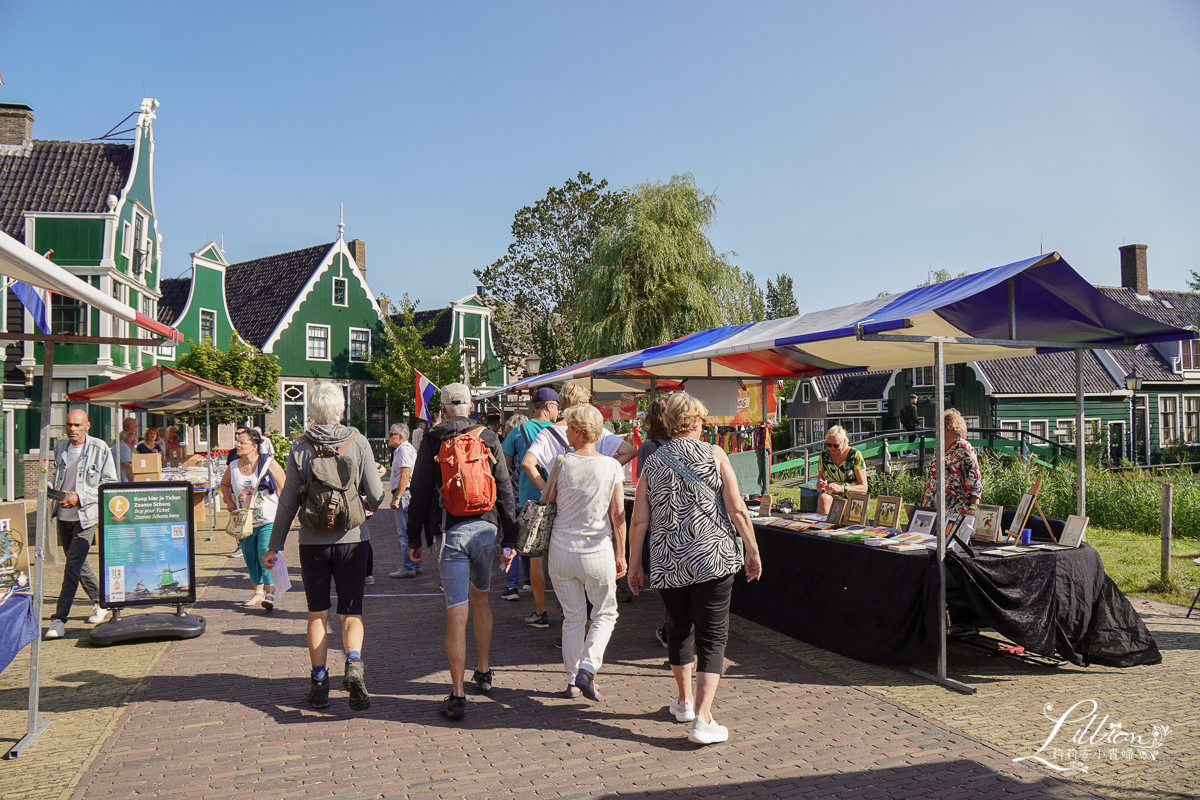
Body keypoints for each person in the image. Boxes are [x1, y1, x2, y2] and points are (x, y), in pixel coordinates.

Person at [628, 392, 762, 745]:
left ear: (669, 423)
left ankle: (685, 702)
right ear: (698, 421)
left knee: (678, 629)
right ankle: (702, 720)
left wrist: (634, 564)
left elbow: (639, 522)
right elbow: (737, 510)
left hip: (669, 562)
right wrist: (752, 550)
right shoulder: (715, 454)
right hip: (713, 558)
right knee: (713, 635)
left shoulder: (652, 463)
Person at [262, 382, 385, 712]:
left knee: (317, 613)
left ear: (311, 414)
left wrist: (274, 546)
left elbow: (287, 503)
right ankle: (354, 664)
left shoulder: (300, 447)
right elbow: (376, 494)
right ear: (342, 410)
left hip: (313, 543)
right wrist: (366, 501)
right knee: (351, 613)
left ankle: (319, 684)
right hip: (353, 541)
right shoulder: (358, 442)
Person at [407, 383, 518, 721]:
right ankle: (483, 670)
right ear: (470, 406)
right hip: (486, 529)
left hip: (450, 531)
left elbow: (420, 491)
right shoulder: (488, 437)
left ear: (442, 408)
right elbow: (504, 488)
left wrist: (414, 540)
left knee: (457, 611)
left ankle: (457, 696)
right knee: (481, 598)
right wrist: (511, 538)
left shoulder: (433, 438)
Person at [521, 381, 636, 622]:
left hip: (563, 517)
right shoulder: (597, 431)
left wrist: (548, 492)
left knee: (568, 584)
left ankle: (572, 621)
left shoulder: (548, 432)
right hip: (596, 518)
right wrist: (606, 469)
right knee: (599, 600)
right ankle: (587, 627)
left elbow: (528, 463)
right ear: (582, 403)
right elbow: (629, 451)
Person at [544, 405, 627, 700]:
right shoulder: (611, 466)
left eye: (568, 427)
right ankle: (587, 669)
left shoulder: (561, 462)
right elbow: (618, 514)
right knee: (605, 613)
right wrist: (622, 552)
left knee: (573, 617)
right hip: (597, 549)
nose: (565, 431)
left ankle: (571, 681)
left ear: (578, 432)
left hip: (561, 548)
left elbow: (547, 501)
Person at [44, 410, 119, 639]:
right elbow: (58, 476)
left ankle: (59, 619)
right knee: (77, 562)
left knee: (72, 567)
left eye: (77, 425)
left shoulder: (100, 448)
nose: (72, 429)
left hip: (86, 516)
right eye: (69, 425)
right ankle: (100, 601)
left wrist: (80, 496)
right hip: (63, 515)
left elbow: (109, 483)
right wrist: (48, 487)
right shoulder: (60, 447)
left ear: (88, 425)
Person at [500, 388, 559, 606]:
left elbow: (502, 468)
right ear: (549, 406)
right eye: (557, 406)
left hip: (530, 504)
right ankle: (565, 609)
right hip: (560, 500)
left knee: (535, 560)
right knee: (560, 558)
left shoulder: (518, 431)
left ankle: (540, 611)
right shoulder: (563, 430)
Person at [220, 428, 285, 612]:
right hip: (245, 521)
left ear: (255, 446)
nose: (238, 445)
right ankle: (258, 591)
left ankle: (270, 592)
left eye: (242, 442)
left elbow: (285, 486)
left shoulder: (269, 463)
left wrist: (288, 514)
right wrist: (229, 501)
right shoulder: (233, 466)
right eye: (237, 441)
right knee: (250, 556)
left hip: (269, 518)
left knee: (265, 552)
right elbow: (224, 485)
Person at [918, 408, 983, 515]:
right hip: (932, 508)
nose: (934, 430)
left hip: (953, 511)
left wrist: (973, 507)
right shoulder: (939, 448)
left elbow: (974, 481)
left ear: (948, 428)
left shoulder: (964, 448)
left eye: (938, 427)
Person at [386, 423, 420, 578]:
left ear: (400, 437)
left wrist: (397, 497)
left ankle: (409, 566)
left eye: (391, 434)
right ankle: (414, 563)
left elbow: (405, 474)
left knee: (404, 532)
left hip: (405, 494)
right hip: (406, 494)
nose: (388, 437)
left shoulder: (404, 450)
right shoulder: (404, 449)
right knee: (410, 531)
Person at [815, 425, 868, 516]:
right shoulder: (823, 456)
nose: (832, 448)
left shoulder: (854, 455)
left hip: (852, 498)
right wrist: (820, 486)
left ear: (844, 441)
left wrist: (842, 488)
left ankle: (826, 525)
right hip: (831, 497)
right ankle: (824, 527)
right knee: (823, 497)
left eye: (836, 445)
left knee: (825, 499)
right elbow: (819, 487)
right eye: (829, 445)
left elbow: (864, 487)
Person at [119, 417, 138, 482]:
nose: (136, 426)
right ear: (130, 426)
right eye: (135, 424)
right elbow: (126, 465)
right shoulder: (123, 437)